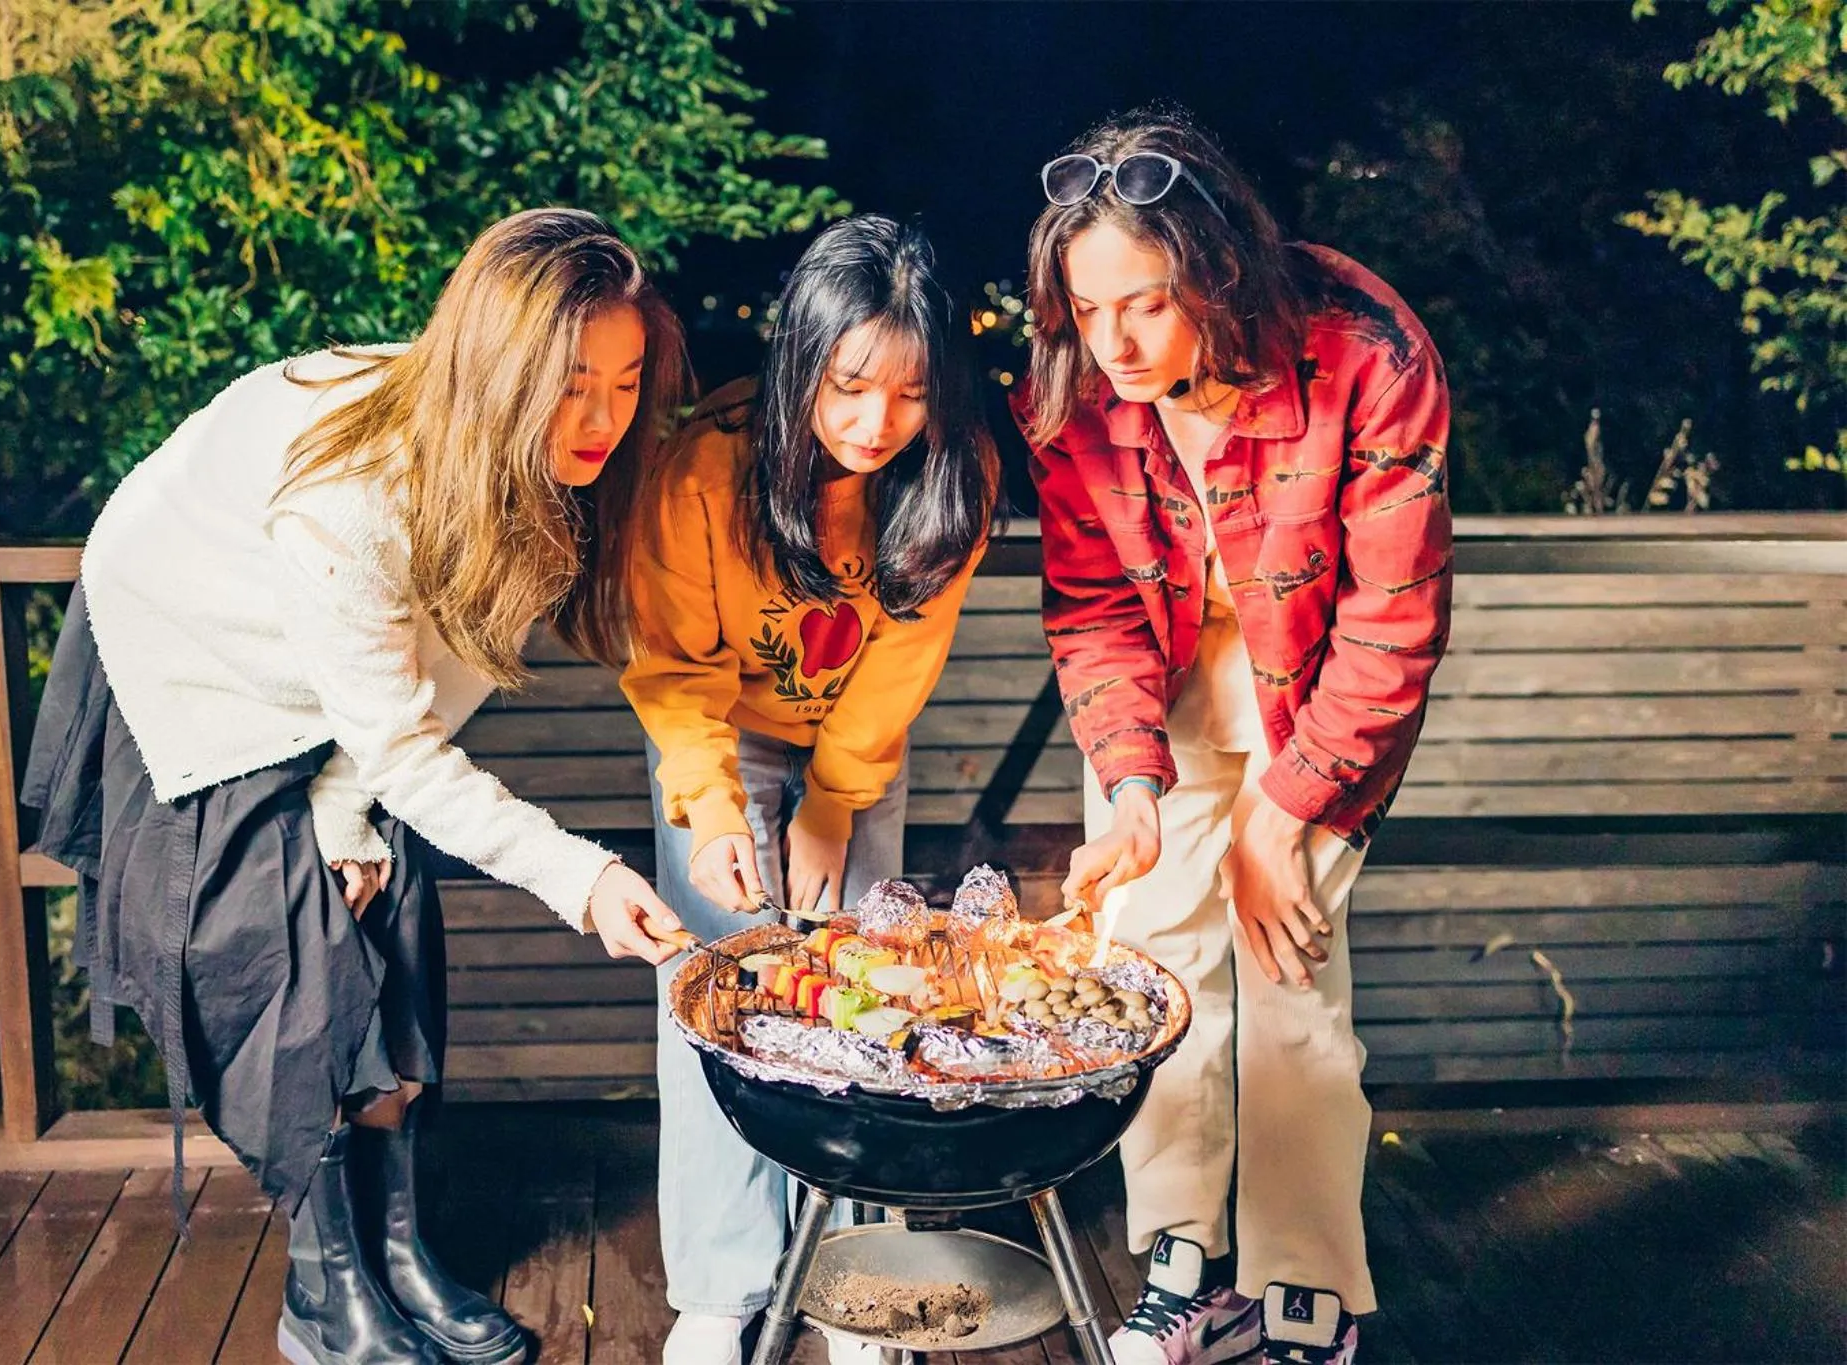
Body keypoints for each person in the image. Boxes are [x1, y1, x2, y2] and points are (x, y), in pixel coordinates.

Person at [23, 208, 692, 1365]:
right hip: (198, 652)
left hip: (346, 686)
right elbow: (397, 744)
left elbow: (441, 680)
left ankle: (398, 1253)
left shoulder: (539, 475)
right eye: (571, 385)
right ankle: (324, 1296)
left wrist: (352, 807)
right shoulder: (353, 490)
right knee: (299, 971)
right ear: (500, 368)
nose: (601, 420)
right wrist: (584, 881)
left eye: (625, 383)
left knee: (394, 939)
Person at [1013, 107, 1452, 1365]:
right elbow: (1093, 607)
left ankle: (1305, 1285)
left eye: (1144, 306)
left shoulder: (1363, 348)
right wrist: (1128, 787)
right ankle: (1182, 1261)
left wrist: (1278, 817)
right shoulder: (1072, 384)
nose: (1112, 343)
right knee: (1150, 966)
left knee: (1285, 977)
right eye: (1086, 310)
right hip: (1173, 682)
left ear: (1214, 270)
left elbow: (1390, 624)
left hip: (1318, 688)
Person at [619, 215, 998, 1365]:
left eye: (910, 394)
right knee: (719, 988)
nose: (877, 423)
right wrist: (712, 813)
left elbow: (897, 665)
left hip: (855, 745)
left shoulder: (954, 474)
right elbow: (673, 667)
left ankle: (853, 1276)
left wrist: (832, 803)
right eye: (848, 387)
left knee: (862, 989)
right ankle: (722, 1286)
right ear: (800, 363)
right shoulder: (704, 465)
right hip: (719, 735)